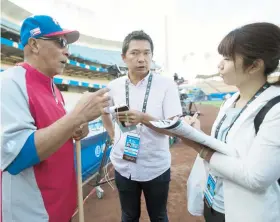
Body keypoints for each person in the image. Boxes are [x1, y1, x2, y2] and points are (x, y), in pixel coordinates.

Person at [1, 15, 110, 222]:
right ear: (34, 44)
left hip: (60, 208)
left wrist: (77, 126)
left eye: (67, 44)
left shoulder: (54, 88)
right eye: (60, 42)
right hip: (32, 214)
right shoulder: (9, 83)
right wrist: (76, 117)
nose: (67, 51)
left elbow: (58, 132)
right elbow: (16, 157)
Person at [184, 22, 280, 222]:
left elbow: (257, 177)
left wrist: (202, 149)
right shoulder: (231, 100)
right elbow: (225, 146)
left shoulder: (276, 109)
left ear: (255, 65)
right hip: (215, 202)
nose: (220, 65)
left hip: (247, 213)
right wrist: (198, 133)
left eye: (227, 58)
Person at [102, 30, 182, 222]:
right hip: (123, 164)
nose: (141, 59)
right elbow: (104, 112)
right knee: (129, 216)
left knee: (159, 216)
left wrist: (144, 118)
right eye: (135, 53)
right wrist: (113, 136)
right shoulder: (114, 86)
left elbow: (175, 127)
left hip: (156, 166)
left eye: (147, 53)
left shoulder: (167, 85)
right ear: (124, 57)